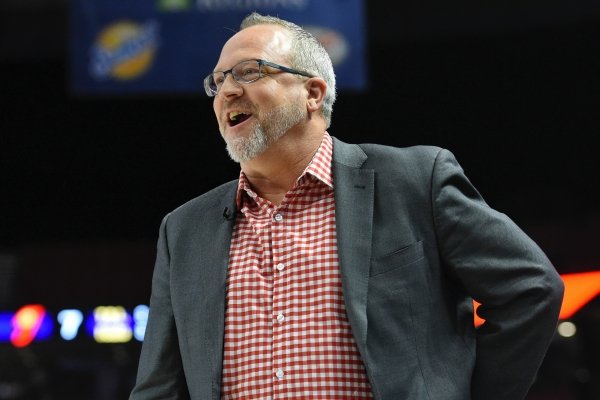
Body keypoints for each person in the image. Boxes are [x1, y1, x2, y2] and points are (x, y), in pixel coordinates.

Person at [129, 12, 564, 400]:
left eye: (248, 72)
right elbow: (160, 385)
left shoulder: (413, 181)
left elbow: (531, 289)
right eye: (218, 81)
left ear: (313, 93)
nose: (226, 92)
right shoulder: (183, 229)